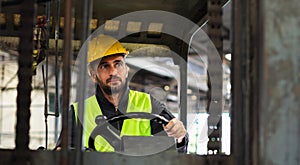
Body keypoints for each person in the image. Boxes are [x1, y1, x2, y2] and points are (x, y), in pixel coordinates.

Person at [55, 34, 188, 153]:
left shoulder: (148, 104)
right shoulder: (78, 112)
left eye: (117, 64)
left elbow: (173, 149)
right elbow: (64, 154)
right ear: (93, 75)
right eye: (104, 66)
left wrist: (180, 135)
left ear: (126, 70)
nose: (113, 72)